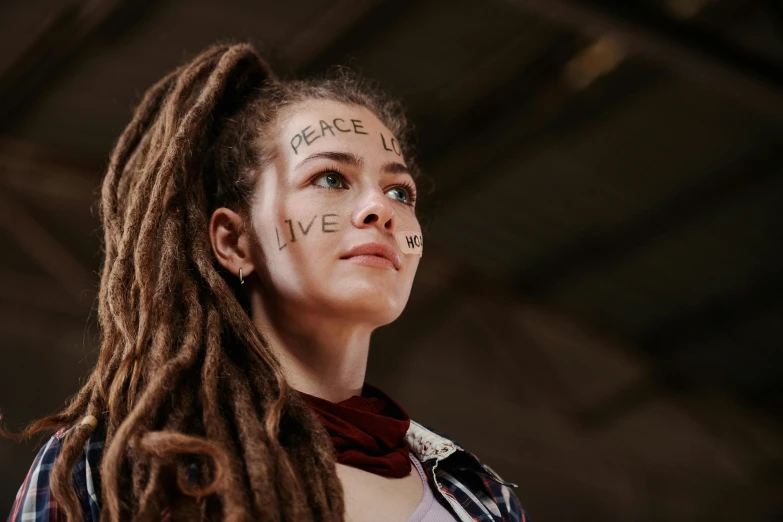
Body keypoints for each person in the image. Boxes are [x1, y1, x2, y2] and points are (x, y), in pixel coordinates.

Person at [3, 42, 530, 522]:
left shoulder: (480, 497)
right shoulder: (120, 462)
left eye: (400, 192)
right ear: (234, 242)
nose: (380, 209)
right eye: (330, 178)